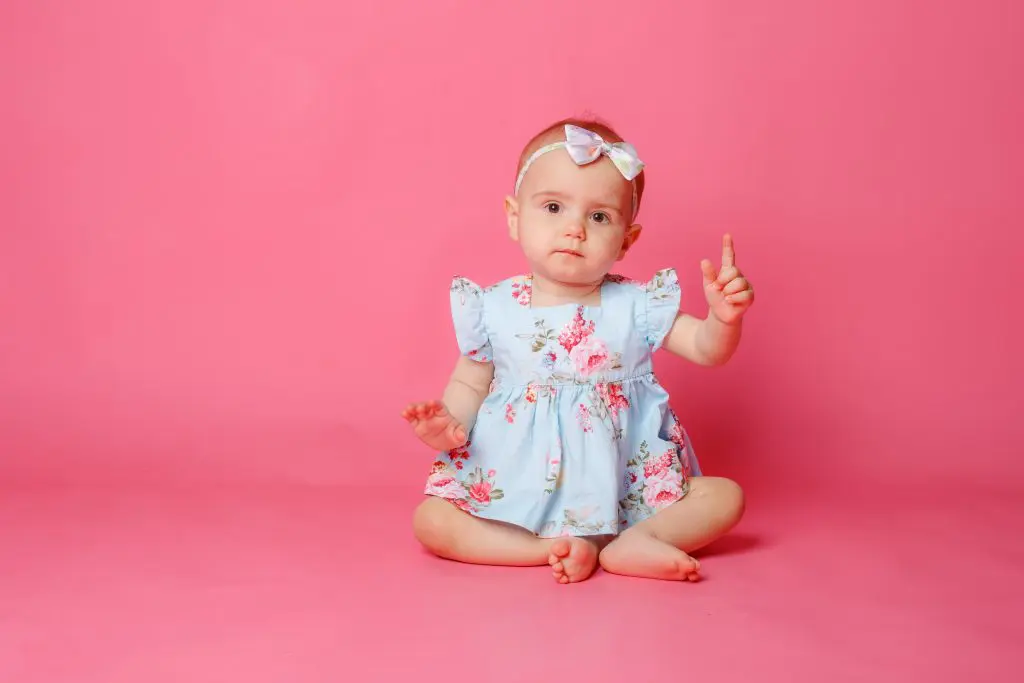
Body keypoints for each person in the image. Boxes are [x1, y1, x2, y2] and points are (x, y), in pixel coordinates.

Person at [402, 118, 753, 583]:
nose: (575, 229)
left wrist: (723, 320)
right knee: (431, 520)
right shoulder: (492, 308)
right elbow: (469, 382)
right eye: (553, 207)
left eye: (599, 216)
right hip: (521, 489)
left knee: (725, 496)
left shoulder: (637, 304)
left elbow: (707, 350)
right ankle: (550, 548)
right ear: (514, 217)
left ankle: (637, 539)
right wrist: (448, 426)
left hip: (627, 492)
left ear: (626, 240)